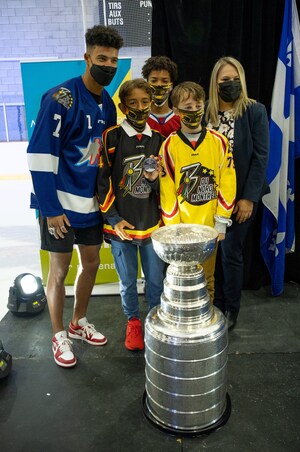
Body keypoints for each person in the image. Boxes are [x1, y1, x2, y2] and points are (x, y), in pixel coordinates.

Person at [27, 25, 124, 368]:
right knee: (59, 271)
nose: (108, 65)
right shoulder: (60, 99)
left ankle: (78, 322)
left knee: (93, 263)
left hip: (90, 205)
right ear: (87, 58)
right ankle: (57, 335)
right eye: (102, 58)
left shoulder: (108, 104)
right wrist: (50, 210)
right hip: (60, 207)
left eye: (113, 60)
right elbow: (39, 158)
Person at [96, 78, 165, 352]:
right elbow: (102, 182)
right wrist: (113, 218)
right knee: (127, 281)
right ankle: (133, 321)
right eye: (133, 103)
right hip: (121, 227)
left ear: (152, 103)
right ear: (123, 106)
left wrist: (153, 179)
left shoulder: (158, 139)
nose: (140, 108)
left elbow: (162, 185)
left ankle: (154, 320)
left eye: (145, 102)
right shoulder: (111, 137)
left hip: (150, 225)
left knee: (156, 280)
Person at [203, 56, 269, 330]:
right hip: (206, 200)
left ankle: (231, 310)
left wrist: (248, 198)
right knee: (207, 255)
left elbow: (261, 156)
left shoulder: (254, 110)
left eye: (234, 79)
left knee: (230, 251)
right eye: (224, 80)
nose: (230, 84)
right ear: (214, 84)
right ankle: (210, 305)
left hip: (240, 198)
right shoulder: (205, 112)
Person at [159, 81, 236, 301]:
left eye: (197, 106)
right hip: (181, 230)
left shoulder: (218, 142)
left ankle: (205, 324)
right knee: (180, 280)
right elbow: (166, 190)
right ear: (175, 111)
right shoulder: (168, 145)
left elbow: (228, 182)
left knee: (207, 279)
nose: (193, 111)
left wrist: (221, 221)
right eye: (187, 107)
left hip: (209, 228)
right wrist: (174, 229)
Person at [141, 56, 181, 138]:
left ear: (171, 85)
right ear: (146, 84)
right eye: (154, 80)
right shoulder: (139, 120)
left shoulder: (181, 121)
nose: (159, 84)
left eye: (165, 81)